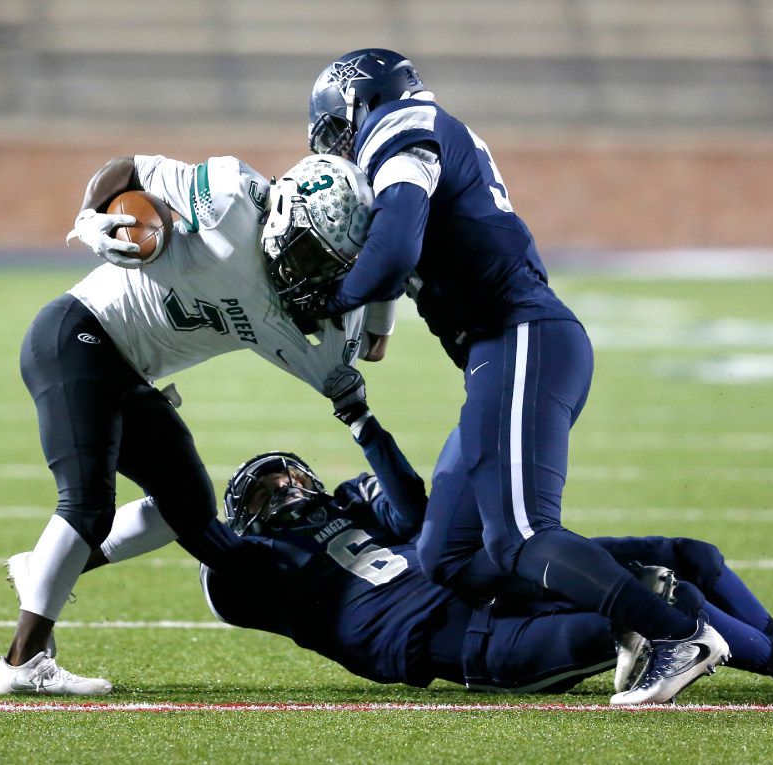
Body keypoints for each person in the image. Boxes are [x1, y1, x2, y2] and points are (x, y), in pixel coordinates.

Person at [21, 367, 773, 700]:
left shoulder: (343, 509)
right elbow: (192, 526)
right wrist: (146, 440)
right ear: (250, 512)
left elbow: (415, 518)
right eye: (273, 483)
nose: (293, 482)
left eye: (293, 468)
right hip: (473, 641)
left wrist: (365, 428)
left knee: (686, 560)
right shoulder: (248, 570)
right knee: (656, 605)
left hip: (485, 580)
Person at [284, 48, 726, 702]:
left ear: (360, 101)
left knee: (520, 533)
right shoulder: (419, 132)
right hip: (498, 348)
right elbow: (392, 266)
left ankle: (671, 631)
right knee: (449, 551)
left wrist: (328, 298)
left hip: (517, 334)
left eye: (337, 128)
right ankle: (669, 598)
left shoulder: (398, 128)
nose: (338, 146)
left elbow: (395, 247)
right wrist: (369, 314)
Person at [0, 152, 386, 696]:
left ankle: (41, 569)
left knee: (189, 509)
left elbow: (369, 334)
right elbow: (127, 168)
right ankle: (21, 664)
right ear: (286, 218)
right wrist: (89, 217)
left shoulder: (320, 320)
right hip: (78, 335)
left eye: (327, 263)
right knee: (86, 505)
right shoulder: (228, 201)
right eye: (309, 250)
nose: (311, 271)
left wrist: (376, 327)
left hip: (130, 371)